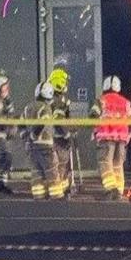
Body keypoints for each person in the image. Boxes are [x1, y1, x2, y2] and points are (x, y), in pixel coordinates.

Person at [90, 76, 131, 201]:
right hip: (122, 138)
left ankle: (111, 188)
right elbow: (130, 118)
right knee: (118, 165)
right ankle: (119, 190)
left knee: (105, 163)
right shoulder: (126, 102)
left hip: (105, 136)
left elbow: (93, 114)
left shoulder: (101, 100)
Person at [22, 82, 65, 200]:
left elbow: (20, 123)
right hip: (45, 144)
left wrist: (26, 136)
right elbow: (43, 122)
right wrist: (34, 134)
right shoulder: (45, 108)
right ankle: (56, 195)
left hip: (30, 146)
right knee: (51, 170)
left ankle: (38, 194)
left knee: (36, 171)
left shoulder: (28, 107)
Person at [48, 66, 74, 196]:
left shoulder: (48, 98)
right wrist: (67, 134)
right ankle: (60, 189)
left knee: (54, 165)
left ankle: (59, 188)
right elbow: (59, 120)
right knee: (61, 165)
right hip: (59, 138)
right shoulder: (59, 101)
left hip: (49, 137)